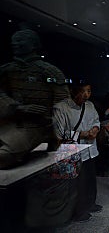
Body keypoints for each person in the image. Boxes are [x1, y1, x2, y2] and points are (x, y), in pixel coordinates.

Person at [0, 29, 70, 169]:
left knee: (3, 157)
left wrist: (56, 127)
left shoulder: (49, 71)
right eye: (14, 40)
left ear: (33, 45)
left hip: (38, 125)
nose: (15, 43)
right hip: (10, 122)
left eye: (20, 40)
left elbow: (62, 101)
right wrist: (16, 107)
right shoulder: (7, 70)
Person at [53, 81, 103, 222]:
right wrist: (83, 134)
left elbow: (96, 120)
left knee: (89, 180)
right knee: (76, 184)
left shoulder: (90, 105)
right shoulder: (61, 108)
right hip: (72, 152)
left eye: (89, 91)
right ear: (73, 91)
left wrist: (95, 129)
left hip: (90, 150)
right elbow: (60, 134)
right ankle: (77, 212)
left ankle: (90, 204)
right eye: (82, 91)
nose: (86, 94)